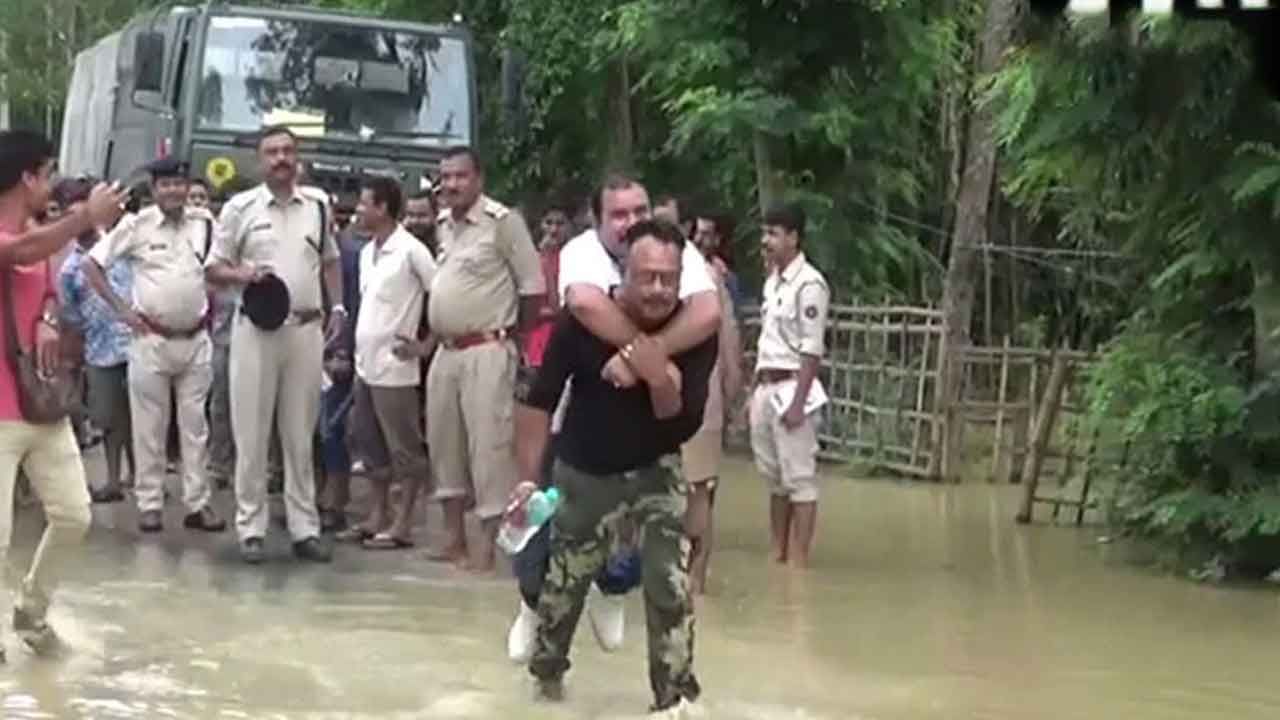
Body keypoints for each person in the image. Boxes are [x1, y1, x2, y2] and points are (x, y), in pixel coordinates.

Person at [519, 219, 715, 716]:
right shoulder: (581, 324)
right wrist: (526, 478)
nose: (657, 290)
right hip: (585, 468)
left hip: (657, 464)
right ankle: (546, 679)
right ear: (622, 273)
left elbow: (683, 421)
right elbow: (539, 401)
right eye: (646, 276)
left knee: (669, 582)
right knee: (564, 588)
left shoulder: (693, 330)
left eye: (668, 279)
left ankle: (673, 697)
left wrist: (652, 372)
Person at [0, 129, 125, 660]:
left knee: (74, 515)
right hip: (1, 411)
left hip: (44, 404)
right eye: (46, 173)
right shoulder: (31, 237)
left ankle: (31, 610)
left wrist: (50, 317)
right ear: (27, 176)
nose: (50, 184)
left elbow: (46, 276)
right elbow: (23, 251)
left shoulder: (40, 234)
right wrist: (84, 217)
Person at [205, 125, 346, 564]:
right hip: (256, 331)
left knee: (300, 434)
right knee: (251, 431)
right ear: (259, 160)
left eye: (287, 151)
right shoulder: (239, 208)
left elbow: (330, 261)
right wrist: (243, 275)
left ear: (297, 157)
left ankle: (305, 529)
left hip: (305, 331)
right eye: (272, 152)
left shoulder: (318, 205)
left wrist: (337, 309)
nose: (281, 159)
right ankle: (251, 527)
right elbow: (212, 270)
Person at [83, 158, 226, 534]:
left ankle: (199, 504)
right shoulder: (137, 225)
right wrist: (122, 311)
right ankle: (149, 503)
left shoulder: (205, 223)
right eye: (165, 185)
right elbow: (93, 265)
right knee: (149, 426)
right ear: (154, 190)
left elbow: (219, 265)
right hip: (151, 339)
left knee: (196, 428)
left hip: (195, 339)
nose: (174, 191)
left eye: (179, 184)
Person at [425, 146, 544, 573]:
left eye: (459, 176)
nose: (451, 184)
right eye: (445, 176)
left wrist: (515, 339)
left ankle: (488, 549)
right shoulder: (442, 225)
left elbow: (533, 288)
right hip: (446, 351)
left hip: (488, 350)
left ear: (479, 179)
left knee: (490, 449)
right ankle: (452, 538)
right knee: (444, 445)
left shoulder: (503, 222)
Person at [338, 178, 436, 549]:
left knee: (403, 447)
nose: (359, 210)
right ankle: (376, 514)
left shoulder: (411, 251)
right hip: (366, 363)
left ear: (382, 208)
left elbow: (439, 294)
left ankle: (403, 522)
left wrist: (426, 344)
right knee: (367, 441)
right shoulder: (367, 252)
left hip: (397, 368)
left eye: (364, 204)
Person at [748, 203, 830, 569]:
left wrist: (798, 403)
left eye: (774, 233)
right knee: (773, 478)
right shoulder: (773, 282)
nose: (766, 240)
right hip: (766, 385)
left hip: (793, 386)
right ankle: (778, 551)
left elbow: (812, 348)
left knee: (799, 478)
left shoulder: (810, 284)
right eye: (765, 232)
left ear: (794, 238)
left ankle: (799, 559)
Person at [55, 177, 136, 504]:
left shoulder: (123, 246)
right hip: (100, 352)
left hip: (139, 344)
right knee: (109, 419)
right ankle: (114, 480)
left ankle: (143, 478)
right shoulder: (70, 269)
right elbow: (71, 316)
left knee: (141, 417)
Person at [316, 198, 369, 533]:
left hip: (335, 348)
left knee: (331, 427)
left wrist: (342, 350)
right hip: (301, 344)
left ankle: (336, 498)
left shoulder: (347, 254)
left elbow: (349, 303)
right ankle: (316, 495)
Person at [692, 210, 743, 312]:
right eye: (697, 232)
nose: (697, 239)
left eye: (705, 234)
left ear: (717, 239)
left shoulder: (726, 277)